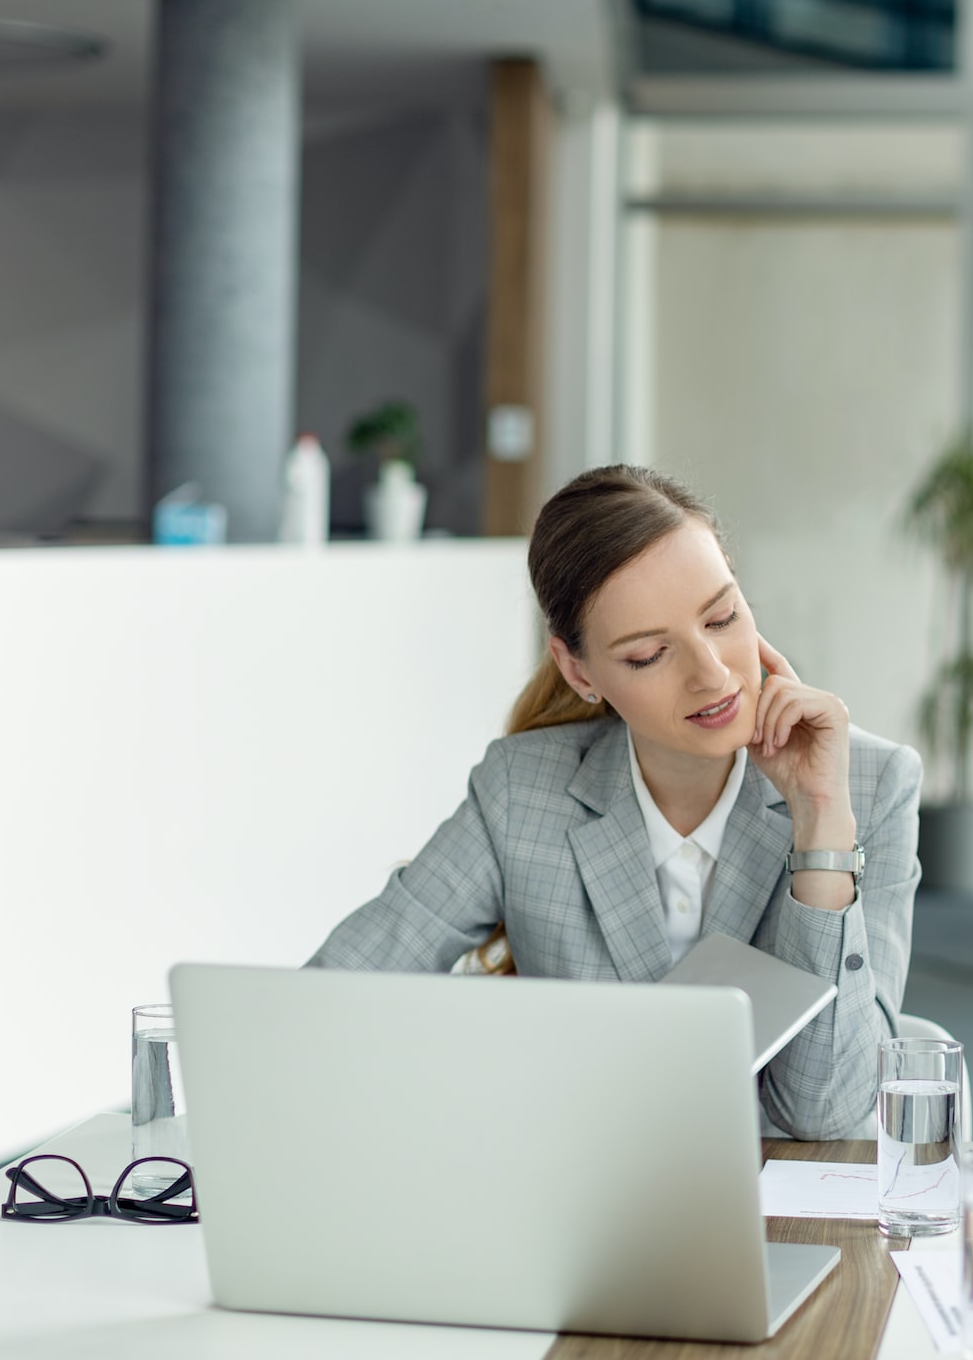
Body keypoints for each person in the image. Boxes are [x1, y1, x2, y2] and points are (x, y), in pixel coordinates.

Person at [309, 465, 922, 1141]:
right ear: (579, 672)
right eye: (650, 654)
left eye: (722, 618)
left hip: (782, 1210)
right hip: (573, 1196)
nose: (713, 674)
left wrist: (820, 825)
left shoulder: (869, 784)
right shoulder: (524, 791)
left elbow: (827, 1111)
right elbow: (337, 994)